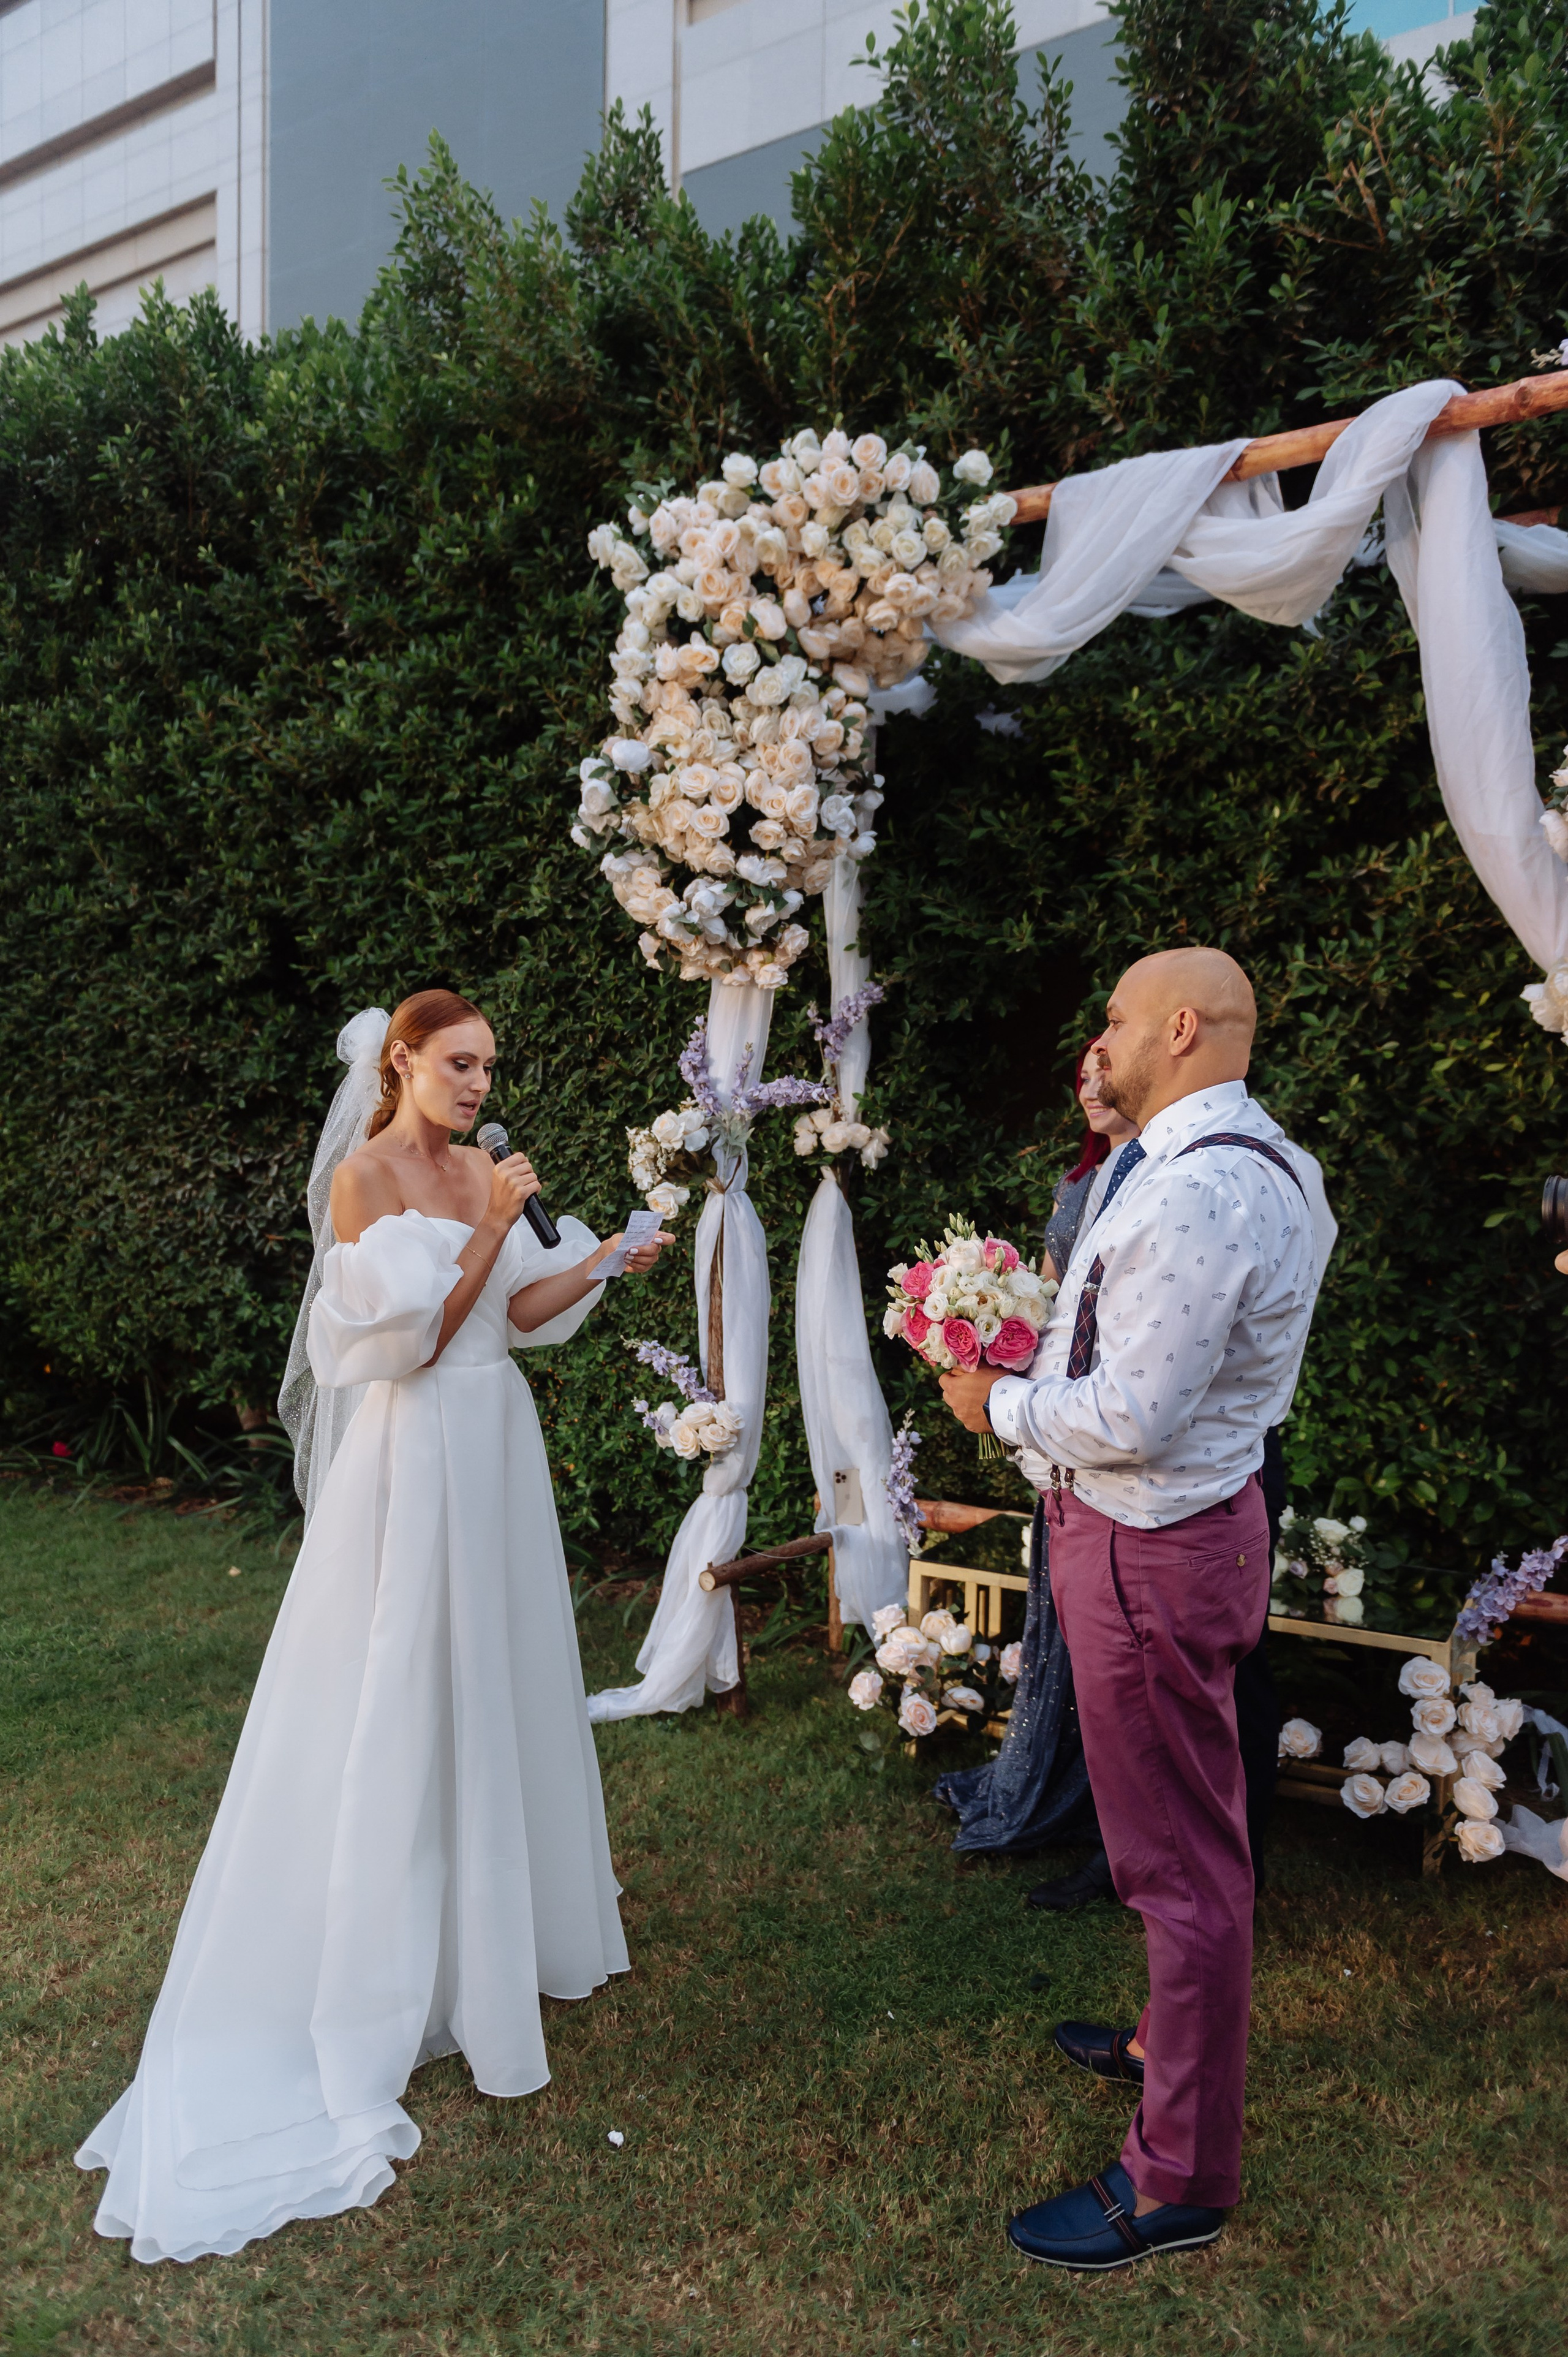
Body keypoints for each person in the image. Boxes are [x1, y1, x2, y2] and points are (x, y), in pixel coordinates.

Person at [76, 992, 670, 2264]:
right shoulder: (366, 1179)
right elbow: (404, 1347)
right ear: (402, 1061)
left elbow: (510, 1317)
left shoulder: (475, 1170)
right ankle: (388, 1957)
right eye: (459, 1063)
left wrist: (601, 1261)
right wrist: (493, 1228)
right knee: (409, 1688)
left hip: (497, 1449)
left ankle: (500, 1938)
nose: (475, 1084)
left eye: (488, 1066)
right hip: (418, 1462)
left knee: (499, 1683)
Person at [940, 947, 1328, 2272]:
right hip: (1181, 1532)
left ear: (1176, 1027)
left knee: (1177, 1865)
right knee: (1180, 1840)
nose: (1096, 1035)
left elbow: (1132, 1416)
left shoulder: (1204, 1187)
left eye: (1112, 1014)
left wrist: (987, 1404)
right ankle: (1171, 2048)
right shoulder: (1259, 1159)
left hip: (1147, 1545)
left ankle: (1174, 2176)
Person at [932, 1050, 1141, 1862]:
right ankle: (1050, 1782)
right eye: (1081, 1078)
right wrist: (986, 1338)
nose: (1090, 1088)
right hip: (1058, 1427)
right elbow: (1049, 1308)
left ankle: (1105, 1818)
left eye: (1104, 1071)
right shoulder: (1075, 1187)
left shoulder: (1163, 1182)